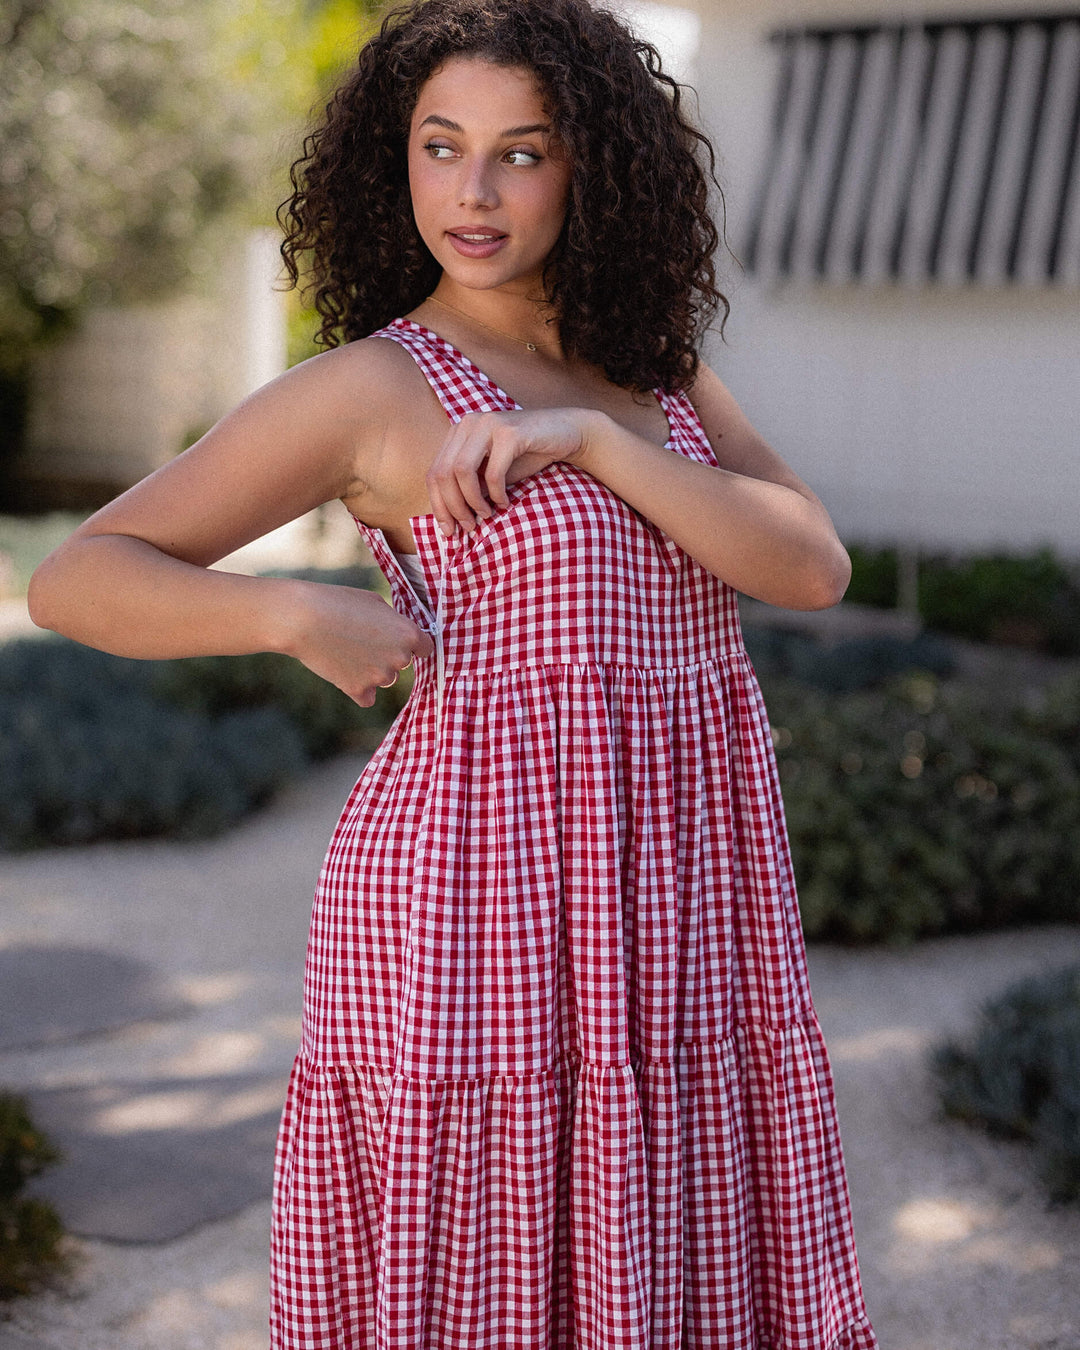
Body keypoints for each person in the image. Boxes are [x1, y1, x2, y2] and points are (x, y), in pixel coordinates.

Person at [29, 0, 878, 1345]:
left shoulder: (653, 377)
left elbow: (811, 565)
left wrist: (595, 448)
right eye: (441, 146)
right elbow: (77, 574)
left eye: (521, 153)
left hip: (682, 892)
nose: (471, 191)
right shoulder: (375, 386)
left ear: (591, 167)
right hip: (481, 896)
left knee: (658, 1241)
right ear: (396, 159)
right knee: (489, 1262)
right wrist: (291, 615)